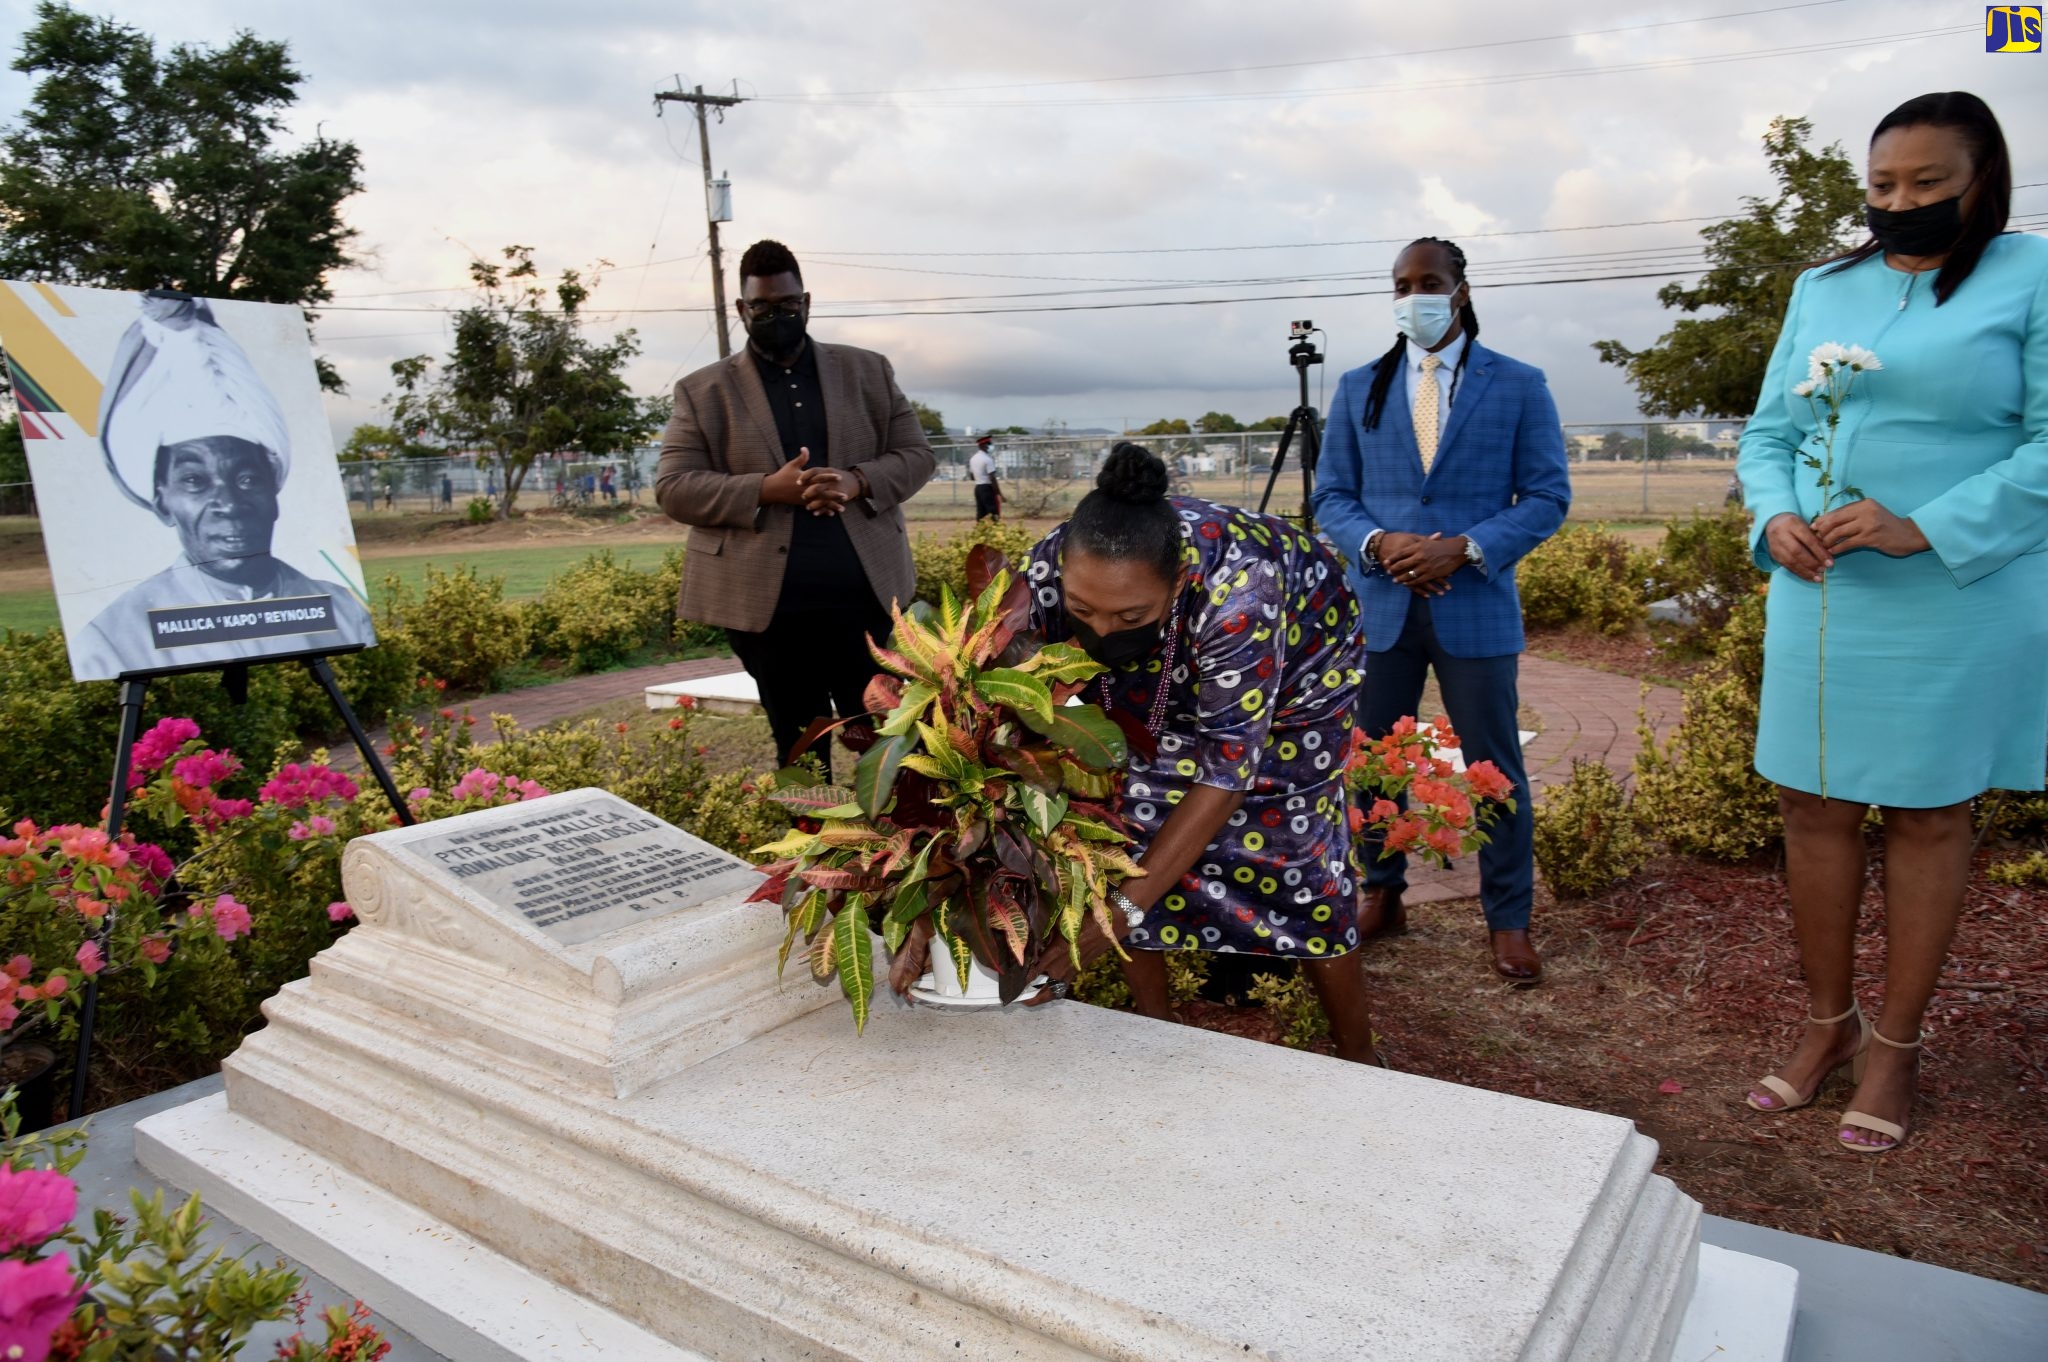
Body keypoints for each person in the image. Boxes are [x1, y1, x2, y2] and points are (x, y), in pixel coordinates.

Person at [1736, 92, 2045, 1154]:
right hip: (1822, 595)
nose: (1897, 204)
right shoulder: (1820, 288)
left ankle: (1894, 1046)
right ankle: (1826, 1025)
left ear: (1980, 183)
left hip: (1959, 592)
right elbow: (1766, 433)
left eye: (1924, 185)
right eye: (1879, 187)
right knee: (1810, 805)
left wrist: (1927, 526)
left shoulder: (2033, 276)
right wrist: (1771, 516)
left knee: (1925, 815)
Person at [885, 444, 1378, 1063]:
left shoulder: (1241, 589)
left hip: (1298, 684)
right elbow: (983, 707)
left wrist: (1116, 917)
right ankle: (1158, 1033)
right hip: (1161, 675)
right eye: (1083, 610)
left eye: (1129, 614)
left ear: (1178, 581)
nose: (1104, 631)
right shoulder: (1044, 572)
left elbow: (1227, 771)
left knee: (1294, 857)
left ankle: (1360, 1058)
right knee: (1128, 831)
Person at [1312, 236, 1570, 985]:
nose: (1412, 295)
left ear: (1459, 289)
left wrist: (1463, 547)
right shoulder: (1360, 385)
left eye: (1428, 281)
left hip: (1475, 603)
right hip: (1384, 605)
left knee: (1495, 766)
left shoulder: (1519, 384)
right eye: (1401, 284)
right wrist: (1380, 541)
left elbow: (1548, 495)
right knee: (1371, 761)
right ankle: (1382, 893)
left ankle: (1509, 920)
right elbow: (1333, 496)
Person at [656, 239, 936, 773]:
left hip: (868, 601)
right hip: (768, 614)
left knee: (889, 741)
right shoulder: (703, 391)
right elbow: (674, 487)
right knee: (799, 745)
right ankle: (815, 848)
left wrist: (857, 481)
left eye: (786, 305)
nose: (775, 316)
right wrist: (767, 489)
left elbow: (917, 457)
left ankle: (895, 848)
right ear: (741, 310)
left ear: (806, 303)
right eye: (761, 307)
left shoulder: (868, 371)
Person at [74, 294, 373, 678]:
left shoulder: (342, 611)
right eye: (195, 481)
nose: (229, 504)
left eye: (247, 479)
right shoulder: (112, 642)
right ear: (163, 504)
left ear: (275, 492)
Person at [969, 434, 1002, 520]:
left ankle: (980, 531)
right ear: (983, 445)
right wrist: (999, 493)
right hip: (987, 488)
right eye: (989, 444)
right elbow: (992, 478)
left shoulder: (973, 459)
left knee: (981, 513)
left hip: (978, 488)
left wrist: (979, 476)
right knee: (993, 512)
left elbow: (972, 476)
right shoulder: (987, 459)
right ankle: (995, 530)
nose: (990, 447)